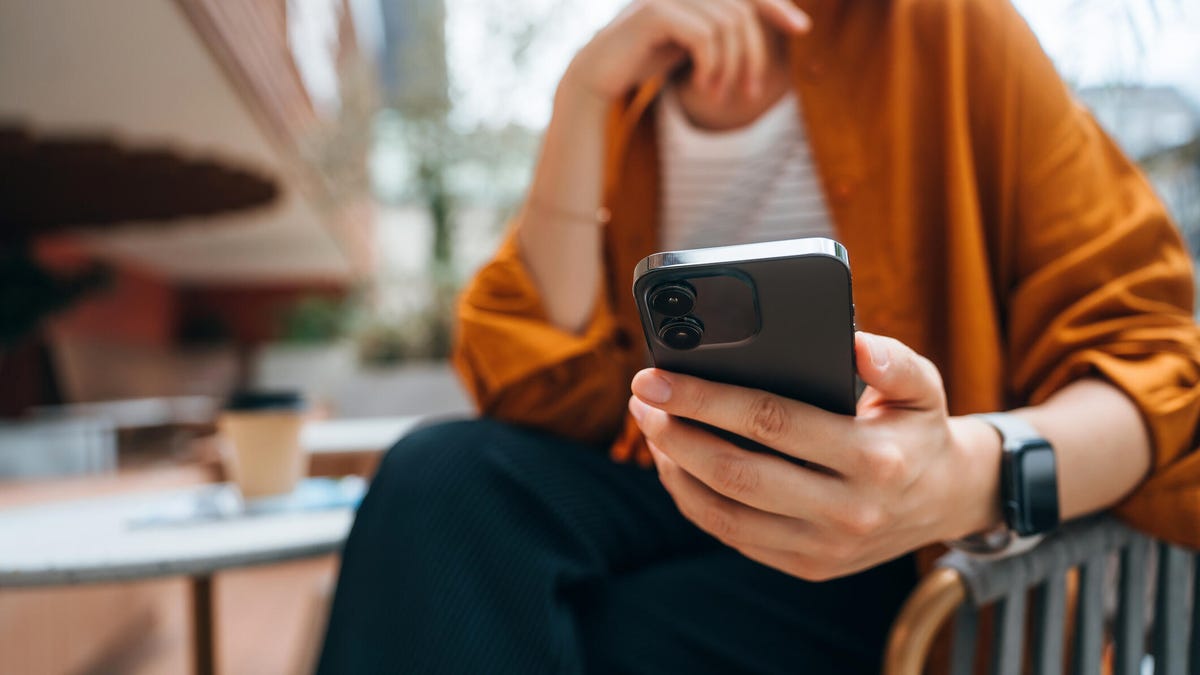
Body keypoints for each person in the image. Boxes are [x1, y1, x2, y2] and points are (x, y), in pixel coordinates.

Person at [318, 0, 1200, 672]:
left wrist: (963, 476)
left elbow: (1162, 365)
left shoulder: (942, 30)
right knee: (436, 477)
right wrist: (583, 93)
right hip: (683, 497)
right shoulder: (635, 96)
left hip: (906, 552)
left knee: (593, 627)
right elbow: (534, 392)